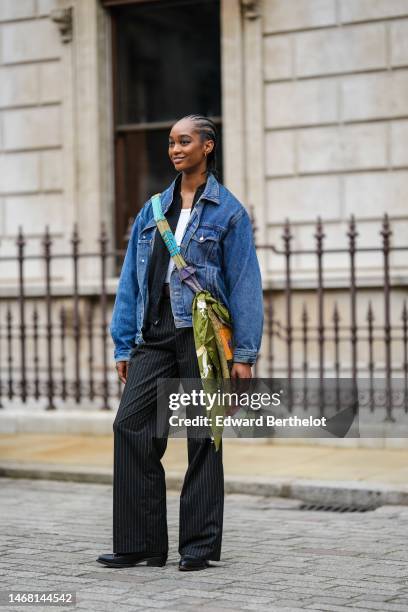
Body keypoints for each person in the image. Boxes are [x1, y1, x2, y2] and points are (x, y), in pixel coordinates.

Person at [97, 114, 263, 571]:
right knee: (130, 427)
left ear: (207, 147)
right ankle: (140, 543)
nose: (175, 149)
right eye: (171, 142)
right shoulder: (153, 211)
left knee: (202, 438)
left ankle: (198, 548)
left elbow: (246, 284)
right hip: (154, 336)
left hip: (202, 339)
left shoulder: (228, 212)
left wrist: (244, 357)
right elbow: (132, 281)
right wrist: (124, 343)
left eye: (185, 141)